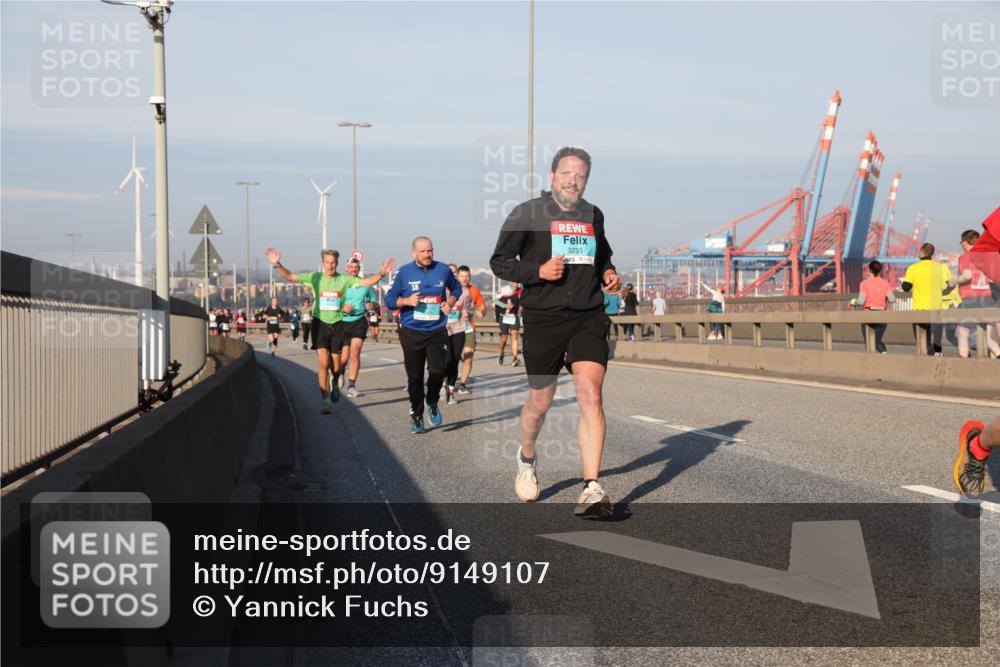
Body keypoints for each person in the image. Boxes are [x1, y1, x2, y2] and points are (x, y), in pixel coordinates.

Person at [490, 146, 621, 518]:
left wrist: (608, 274)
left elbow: (603, 257)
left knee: (590, 394)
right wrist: (537, 273)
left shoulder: (593, 215)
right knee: (541, 402)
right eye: (566, 173)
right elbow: (499, 261)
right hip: (544, 317)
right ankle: (527, 457)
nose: (572, 181)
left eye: (580, 176)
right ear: (551, 176)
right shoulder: (528, 213)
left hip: (587, 316)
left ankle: (591, 487)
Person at [265, 248, 393, 413]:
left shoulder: (343, 280)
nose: (330, 265)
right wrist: (277, 264)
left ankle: (336, 380)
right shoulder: (315, 278)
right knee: (324, 363)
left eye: (333, 262)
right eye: (327, 262)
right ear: (323, 263)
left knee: (337, 367)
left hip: (338, 325)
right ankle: (325, 400)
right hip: (320, 325)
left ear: (337, 264)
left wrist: (382, 274)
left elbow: (366, 283)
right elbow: (290, 276)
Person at [384, 236, 463, 433]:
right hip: (411, 331)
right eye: (423, 251)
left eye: (430, 251)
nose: (427, 255)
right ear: (414, 253)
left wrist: (450, 302)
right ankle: (417, 416)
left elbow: (457, 288)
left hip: (436, 330)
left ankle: (432, 401)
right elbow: (390, 300)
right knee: (415, 376)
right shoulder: (403, 272)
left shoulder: (443, 269)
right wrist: (406, 301)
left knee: (439, 370)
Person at [901, 243, 956, 356]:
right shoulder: (941, 267)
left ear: (921, 253)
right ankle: (938, 356)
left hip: (920, 310)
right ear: (932, 254)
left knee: (922, 342)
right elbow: (952, 284)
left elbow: (906, 288)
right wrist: (943, 292)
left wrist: (906, 282)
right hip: (937, 309)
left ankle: (926, 358)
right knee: (937, 340)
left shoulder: (913, 268)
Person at [956, 229, 1000, 358]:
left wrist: (954, 282)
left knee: (963, 332)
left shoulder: (965, 257)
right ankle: (998, 355)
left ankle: (964, 362)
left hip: (970, 299)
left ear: (965, 243)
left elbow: (967, 275)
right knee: (989, 335)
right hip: (990, 298)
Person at [339, 258, 378, 398]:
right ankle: (340, 371)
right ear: (346, 268)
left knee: (355, 352)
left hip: (359, 322)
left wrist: (371, 305)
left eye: (356, 267)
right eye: (351, 267)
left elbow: (373, 298)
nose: (354, 269)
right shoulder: (340, 283)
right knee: (343, 358)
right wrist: (343, 308)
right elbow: (331, 302)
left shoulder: (364, 284)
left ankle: (351, 386)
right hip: (343, 322)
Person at [456, 265, 486, 394]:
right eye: (462, 276)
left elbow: (482, 307)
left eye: (467, 276)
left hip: (468, 326)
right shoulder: (452, 289)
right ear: (457, 276)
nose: (464, 279)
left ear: (470, 277)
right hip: (453, 327)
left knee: (469, 355)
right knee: (452, 358)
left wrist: (482, 312)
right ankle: (448, 382)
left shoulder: (474, 290)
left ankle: (462, 384)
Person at [855, 260, 895, 353]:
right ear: (880, 270)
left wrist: (854, 302)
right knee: (877, 340)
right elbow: (892, 299)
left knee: (869, 342)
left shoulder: (864, 284)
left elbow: (861, 301)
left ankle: (871, 362)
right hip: (882, 314)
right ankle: (884, 354)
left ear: (869, 270)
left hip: (868, 315)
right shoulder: (885, 283)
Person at [494, 282, 522, 366]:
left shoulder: (521, 291)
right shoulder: (504, 289)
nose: (515, 284)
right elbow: (495, 301)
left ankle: (514, 358)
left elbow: (523, 303)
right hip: (504, 317)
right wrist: (505, 305)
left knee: (514, 335)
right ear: (510, 281)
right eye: (514, 281)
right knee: (504, 338)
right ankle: (501, 352)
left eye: (517, 282)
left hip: (514, 316)